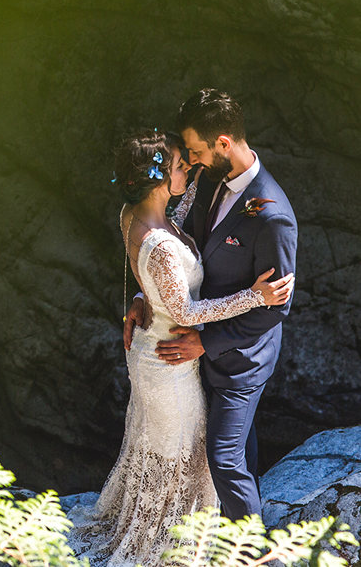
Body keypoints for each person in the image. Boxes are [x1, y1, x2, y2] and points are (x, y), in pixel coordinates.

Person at [70, 129, 293, 567]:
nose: (188, 168)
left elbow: (169, 235)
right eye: (179, 165)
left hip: (155, 347)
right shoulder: (160, 245)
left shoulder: (134, 213)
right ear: (158, 181)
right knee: (183, 456)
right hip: (170, 361)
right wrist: (256, 295)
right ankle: (163, 542)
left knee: (165, 450)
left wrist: (141, 298)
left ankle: (169, 526)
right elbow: (188, 313)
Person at [123, 89, 298, 520]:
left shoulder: (273, 217)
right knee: (241, 448)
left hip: (239, 358)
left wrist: (205, 342)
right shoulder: (206, 179)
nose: (191, 160)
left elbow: (274, 307)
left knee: (222, 458)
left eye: (197, 151)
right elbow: (180, 246)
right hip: (193, 350)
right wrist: (147, 293)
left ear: (222, 143)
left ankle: (254, 553)